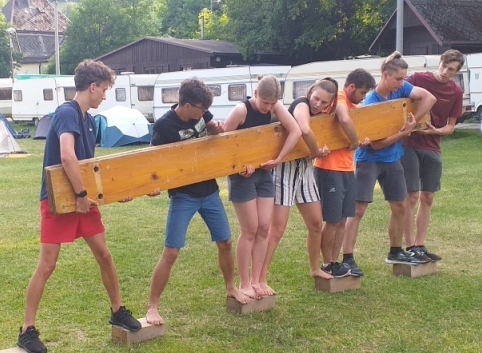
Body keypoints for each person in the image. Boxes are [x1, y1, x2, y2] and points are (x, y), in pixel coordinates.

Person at [18, 59, 141, 353]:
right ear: (92, 86)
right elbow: (67, 156)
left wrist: (113, 193)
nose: (105, 96)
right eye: (104, 90)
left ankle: (117, 310)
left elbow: (89, 167)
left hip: (83, 200)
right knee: (47, 265)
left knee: (104, 255)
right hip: (59, 201)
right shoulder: (67, 113)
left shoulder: (90, 120)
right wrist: (81, 194)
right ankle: (26, 330)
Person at [145, 78, 250, 325]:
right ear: (187, 105)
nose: (205, 113)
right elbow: (151, 158)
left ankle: (231, 288)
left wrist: (215, 129)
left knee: (225, 242)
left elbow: (211, 129)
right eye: (202, 109)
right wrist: (151, 183)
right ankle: (152, 307)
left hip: (209, 191)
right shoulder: (164, 125)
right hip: (183, 195)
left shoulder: (202, 113)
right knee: (171, 252)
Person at [262, 77, 359, 284]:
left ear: (331, 103)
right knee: (277, 229)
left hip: (304, 170)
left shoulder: (323, 116)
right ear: (310, 91)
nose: (318, 104)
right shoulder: (301, 104)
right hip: (286, 169)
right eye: (316, 98)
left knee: (316, 224)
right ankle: (260, 278)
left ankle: (315, 268)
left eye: (324, 102)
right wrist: (316, 152)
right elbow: (305, 130)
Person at [222, 75, 304, 299]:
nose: (268, 108)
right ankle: (244, 282)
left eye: (272, 103)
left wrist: (278, 159)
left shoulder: (275, 106)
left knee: (264, 227)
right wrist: (240, 166)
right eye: (265, 102)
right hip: (242, 177)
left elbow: (296, 130)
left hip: (265, 173)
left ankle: (258, 279)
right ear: (256, 94)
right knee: (250, 229)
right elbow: (224, 144)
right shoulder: (241, 110)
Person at [352, 52, 436, 267]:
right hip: (369, 160)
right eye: (398, 78)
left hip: (393, 159)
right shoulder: (371, 102)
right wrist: (404, 132)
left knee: (400, 206)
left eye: (404, 79)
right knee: (358, 210)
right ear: (385, 75)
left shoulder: (401, 88)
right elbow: (376, 145)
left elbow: (430, 98)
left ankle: (395, 251)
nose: (402, 83)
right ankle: (347, 257)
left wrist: (412, 121)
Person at [400, 49, 465, 262]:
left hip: (432, 146)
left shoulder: (456, 92)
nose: (445, 72)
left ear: (456, 72)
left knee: (428, 197)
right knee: (411, 197)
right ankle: (409, 245)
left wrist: (436, 131)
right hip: (409, 143)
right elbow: (396, 97)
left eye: (451, 70)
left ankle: (420, 244)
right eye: (444, 66)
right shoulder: (418, 79)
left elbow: (451, 126)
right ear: (439, 62)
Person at [317, 69, 375, 277]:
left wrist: (362, 139)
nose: (364, 97)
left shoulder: (354, 107)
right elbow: (342, 119)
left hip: (347, 168)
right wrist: (354, 140)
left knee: (342, 219)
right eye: (362, 92)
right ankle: (327, 264)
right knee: (332, 220)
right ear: (351, 87)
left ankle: (336, 262)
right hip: (329, 168)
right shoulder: (339, 97)